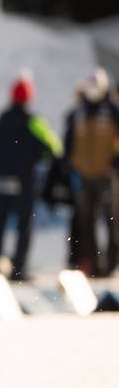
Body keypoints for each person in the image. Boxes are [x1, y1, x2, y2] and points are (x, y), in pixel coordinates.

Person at [0, 74, 63, 280]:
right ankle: (18, 269)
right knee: (23, 228)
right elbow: (54, 148)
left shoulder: (0, 119)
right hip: (22, 183)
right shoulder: (33, 121)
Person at [62, 68, 119, 276]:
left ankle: (112, 262)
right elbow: (68, 143)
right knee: (86, 221)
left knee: (111, 219)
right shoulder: (78, 113)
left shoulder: (112, 111)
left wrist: (114, 164)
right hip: (84, 175)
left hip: (106, 175)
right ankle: (92, 263)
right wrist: (71, 165)